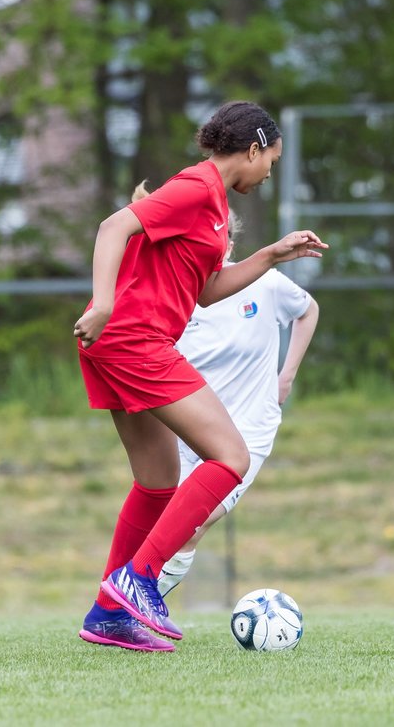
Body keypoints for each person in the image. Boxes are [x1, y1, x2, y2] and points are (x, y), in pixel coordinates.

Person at [74, 100, 327, 652]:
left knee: (159, 483)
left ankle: (108, 614)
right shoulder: (196, 187)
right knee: (230, 457)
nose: (269, 174)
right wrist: (101, 302)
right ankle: (137, 583)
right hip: (134, 338)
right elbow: (113, 226)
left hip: (122, 343)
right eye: (272, 161)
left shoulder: (211, 202)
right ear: (254, 148)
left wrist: (269, 255)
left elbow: (205, 291)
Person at [153, 210, 319, 597]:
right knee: (168, 526)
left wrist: (286, 375)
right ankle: (132, 599)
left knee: (193, 522)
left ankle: (138, 599)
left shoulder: (265, 284)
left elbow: (308, 310)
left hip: (247, 431)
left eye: (222, 238)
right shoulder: (176, 294)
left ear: (228, 242)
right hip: (189, 429)